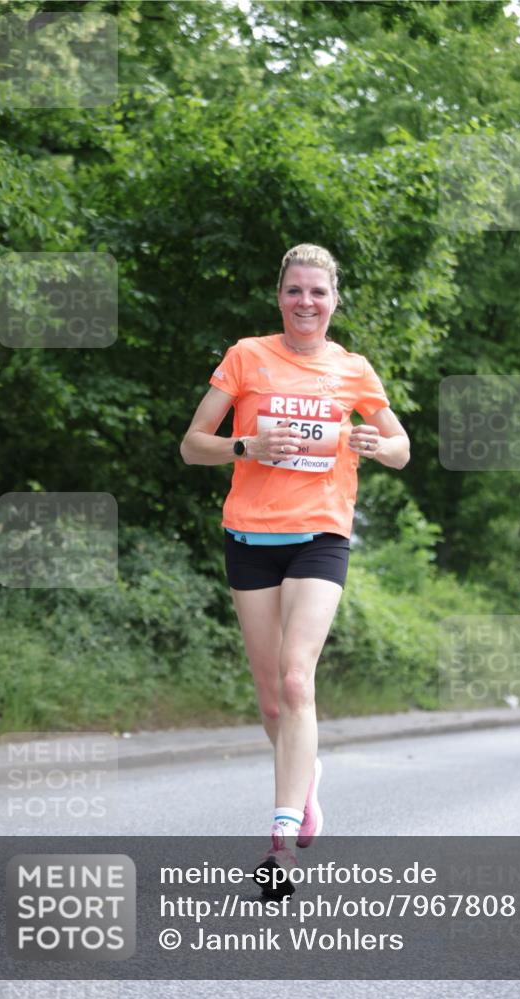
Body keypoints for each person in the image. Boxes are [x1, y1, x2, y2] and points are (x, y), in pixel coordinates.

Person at [180, 244, 410, 892]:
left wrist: (376, 442)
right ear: (279, 296)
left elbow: (400, 448)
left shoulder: (353, 369)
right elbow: (192, 444)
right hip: (250, 535)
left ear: (334, 300)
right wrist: (244, 444)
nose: (305, 302)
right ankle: (305, 784)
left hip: (321, 534)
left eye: (317, 292)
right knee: (270, 699)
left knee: (295, 678)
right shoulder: (247, 357)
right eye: (294, 291)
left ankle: (281, 842)